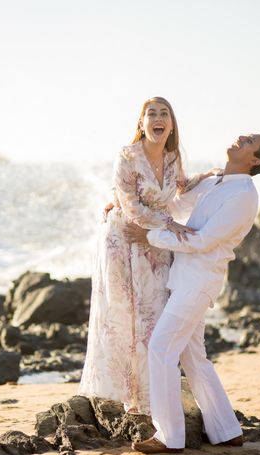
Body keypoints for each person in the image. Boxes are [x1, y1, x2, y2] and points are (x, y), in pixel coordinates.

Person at [125, 133, 260, 453]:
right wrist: (130, 202)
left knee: (161, 348)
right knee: (193, 356)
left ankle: (168, 436)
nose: (241, 138)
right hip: (185, 278)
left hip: (199, 281)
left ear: (254, 161)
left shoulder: (244, 196)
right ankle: (226, 429)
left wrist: (149, 236)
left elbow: (203, 241)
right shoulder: (217, 183)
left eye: (250, 141)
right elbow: (174, 205)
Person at [78, 97, 216, 414]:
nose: (157, 117)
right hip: (123, 240)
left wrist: (206, 178)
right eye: (150, 113)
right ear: (141, 123)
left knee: (153, 314)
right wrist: (169, 224)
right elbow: (130, 207)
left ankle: (147, 397)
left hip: (153, 241)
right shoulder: (127, 156)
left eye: (163, 113)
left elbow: (179, 188)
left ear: (171, 125)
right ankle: (123, 395)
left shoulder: (171, 157)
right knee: (123, 314)